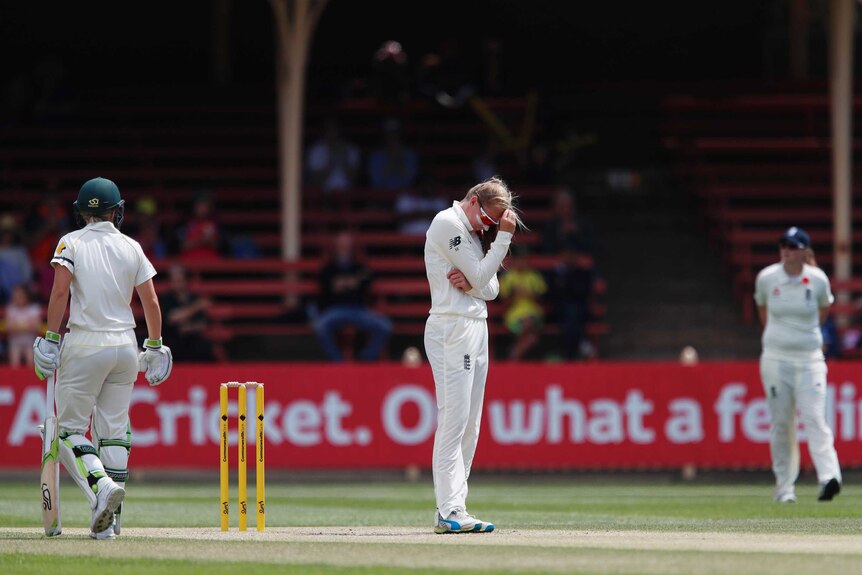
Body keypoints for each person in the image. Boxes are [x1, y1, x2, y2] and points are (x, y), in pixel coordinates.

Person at [32, 177, 173, 540]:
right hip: (126, 346)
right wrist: (155, 345)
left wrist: (50, 338)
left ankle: (101, 488)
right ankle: (110, 522)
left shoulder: (71, 242)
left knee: (67, 432)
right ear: (117, 211)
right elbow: (152, 302)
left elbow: (60, 291)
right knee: (113, 432)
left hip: (85, 343)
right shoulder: (132, 246)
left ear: (81, 212)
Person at [423, 176, 521, 534]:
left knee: (471, 426)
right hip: (452, 327)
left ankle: (453, 508)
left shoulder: (469, 231)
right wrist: (504, 240)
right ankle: (450, 509)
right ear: (474, 201)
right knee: (455, 419)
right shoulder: (447, 223)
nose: (490, 228)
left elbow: (490, 287)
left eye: (496, 226)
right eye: (490, 221)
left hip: (474, 326)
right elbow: (483, 275)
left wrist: (478, 280)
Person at [754, 226, 841, 503]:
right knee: (782, 423)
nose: (786, 251)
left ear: (805, 251)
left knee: (814, 418)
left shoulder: (817, 280)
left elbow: (823, 312)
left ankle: (829, 478)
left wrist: (802, 339)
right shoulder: (767, 278)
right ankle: (784, 487)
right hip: (776, 359)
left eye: (792, 246)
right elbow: (763, 313)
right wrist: (782, 340)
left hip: (810, 359)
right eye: (783, 246)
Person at [312, 231, 392, 362]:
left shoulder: (359, 267)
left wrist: (348, 282)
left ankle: (365, 359)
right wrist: (348, 283)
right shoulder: (328, 268)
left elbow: (367, 278)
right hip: (335, 310)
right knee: (320, 326)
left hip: (359, 310)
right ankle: (337, 361)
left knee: (385, 326)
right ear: (336, 246)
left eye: (347, 244)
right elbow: (325, 285)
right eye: (341, 244)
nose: (344, 247)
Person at [498, 245, 546, 361]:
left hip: (534, 313)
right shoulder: (508, 277)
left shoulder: (534, 276)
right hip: (514, 316)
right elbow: (504, 303)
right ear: (514, 261)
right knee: (531, 336)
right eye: (519, 260)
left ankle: (514, 355)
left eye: (524, 259)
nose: (522, 262)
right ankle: (515, 355)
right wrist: (515, 296)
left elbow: (543, 300)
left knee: (529, 322)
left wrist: (530, 295)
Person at [305, 117, 361, 194]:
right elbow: (315, 181)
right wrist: (331, 160)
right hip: (322, 197)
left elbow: (354, 180)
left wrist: (343, 159)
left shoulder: (350, 150)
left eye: (335, 129)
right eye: (329, 129)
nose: (332, 133)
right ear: (324, 131)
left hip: (347, 196)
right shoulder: (315, 150)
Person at [6, 284, 41, 368]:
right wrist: (26, 325)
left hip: (29, 341)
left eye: (20, 296)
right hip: (15, 341)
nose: (18, 298)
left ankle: (31, 380)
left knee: (30, 359)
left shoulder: (34, 308)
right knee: (14, 360)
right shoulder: (11, 309)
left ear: (26, 296)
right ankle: (14, 380)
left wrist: (19, 326)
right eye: (16, 296)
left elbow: (35, 327)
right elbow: (9, 328)